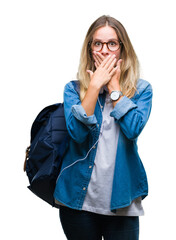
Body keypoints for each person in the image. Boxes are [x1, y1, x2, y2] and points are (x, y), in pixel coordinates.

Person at [54, 15, 153, 240]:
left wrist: (114, 87)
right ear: (90, 49)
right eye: (98, 43)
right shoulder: (73, 89)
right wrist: (94, 86)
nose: (105, 50)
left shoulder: (142, 90)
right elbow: (77, 134)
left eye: (112, 43)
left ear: (122, 49)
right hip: (77, 203)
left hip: (121, 201)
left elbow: (133, 129)